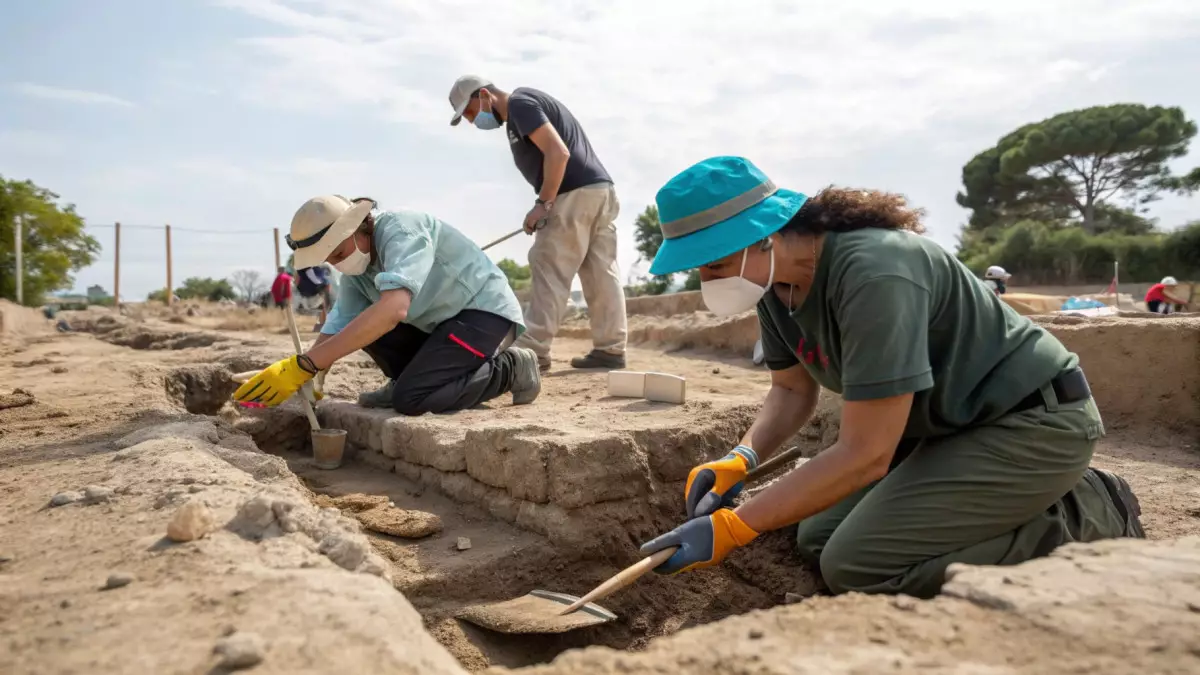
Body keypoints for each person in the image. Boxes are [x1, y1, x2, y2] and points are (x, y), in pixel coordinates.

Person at [636, 156, 1145, 599]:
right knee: (814, 535)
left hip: (1029, 423)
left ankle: (1089, 515)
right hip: (951, 431)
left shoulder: (875, 272)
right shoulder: (774, 287)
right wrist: (740, 459)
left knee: (858, 566)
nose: (709, 282)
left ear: (764, 235)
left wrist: (734, 525)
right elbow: (791, 390)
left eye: (716, 263)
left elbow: (866, 455)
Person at [233, 195, 542, 416]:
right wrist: (310, 373)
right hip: (440, 326)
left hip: (481, 313)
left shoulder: (401, 230)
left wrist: (307, 364)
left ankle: (511, 368)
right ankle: (408, 378)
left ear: (357, 228)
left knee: (413, 399)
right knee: (363, 325)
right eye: (330, 260)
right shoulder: (359, 266)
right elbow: (340, 321)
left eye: (338, 253)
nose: (338, 265)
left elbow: (394, 309)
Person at [448, 74, 628, 372]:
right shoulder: (524, 106)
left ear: (484, 95)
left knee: (549, 265)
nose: (471, 120)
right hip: (598, 190)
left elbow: (558, 152)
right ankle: (610, 349)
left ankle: (532, 350)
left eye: (469, 111)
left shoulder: (520, 104)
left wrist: (543, 203)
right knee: (601, 273)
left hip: (572, 194)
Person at [296, 263, 333, 330]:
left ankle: (323, 323)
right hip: (311, 298)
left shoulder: (303, 269)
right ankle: (324, 323)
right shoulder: (315, 270)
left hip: (304, 298)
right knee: (325, 291)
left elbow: (297, 280)